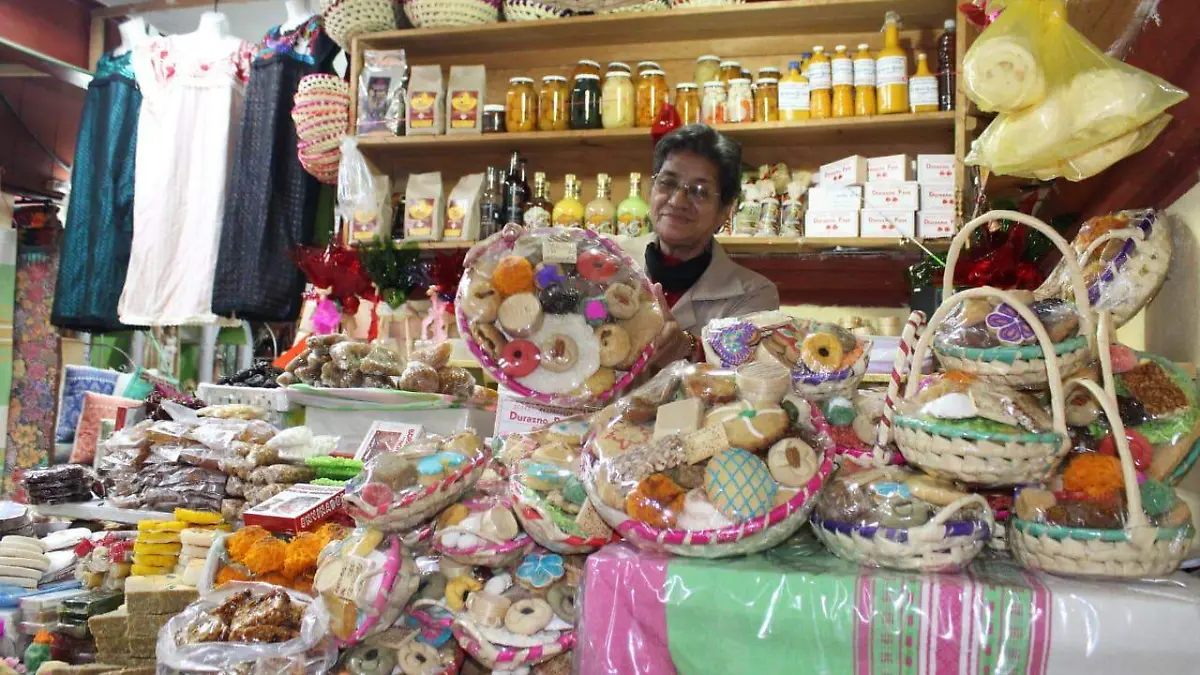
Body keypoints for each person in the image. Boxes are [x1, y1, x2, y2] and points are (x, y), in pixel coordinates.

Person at [646, 124, 780, 362]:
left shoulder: (753, 294)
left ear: (725, 211)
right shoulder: (608, 263)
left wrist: (687, 347)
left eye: (699, 191)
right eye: (667, 182)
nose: (678, 201)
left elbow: (749, 376)